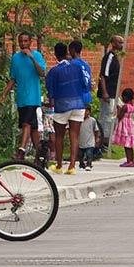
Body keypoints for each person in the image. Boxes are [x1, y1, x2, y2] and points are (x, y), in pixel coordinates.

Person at [44, 41, 91, 173]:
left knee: (59, 135)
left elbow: (50, 90)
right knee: (74, 135)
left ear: (55, 55)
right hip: (78, 104)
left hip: (62, 105)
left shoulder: (53, 71)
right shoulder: (78, 67)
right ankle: (71, 166)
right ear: (67, 53)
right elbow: (86, 84)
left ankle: (59, 165)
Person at [6, 32, 47, 157]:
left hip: (33, 98)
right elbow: (13, 78)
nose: (23, 44)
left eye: (25, 41)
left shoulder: (37, 55)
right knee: (33, 128)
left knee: (26, 124)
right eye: (21, 41)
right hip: (22, 98)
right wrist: (4, 93)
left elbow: (42, 73)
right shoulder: (15, 58)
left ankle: (21, 150)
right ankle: (40, 154)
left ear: (30, 42)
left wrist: (32, 58)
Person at [96, 36, 125, 158]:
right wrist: (105, 92)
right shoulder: (109, 57)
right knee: (107, 118)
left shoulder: (116, 57)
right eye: (119, 42)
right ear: (113, 43)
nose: (121, 44)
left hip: (114, 93)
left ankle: (110, 139)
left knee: (119, 111)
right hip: (108, 93)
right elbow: (103, 75)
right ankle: (104, 142)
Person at [114, 87, 134, 168]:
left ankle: (129, 161)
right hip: (130, 125)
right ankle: (131, 160)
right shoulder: (133, 105)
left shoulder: (125, 107)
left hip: (124, 126)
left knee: (127, 145)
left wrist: (118, 108)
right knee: (129, 145)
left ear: (125, 97)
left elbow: (120, 116)